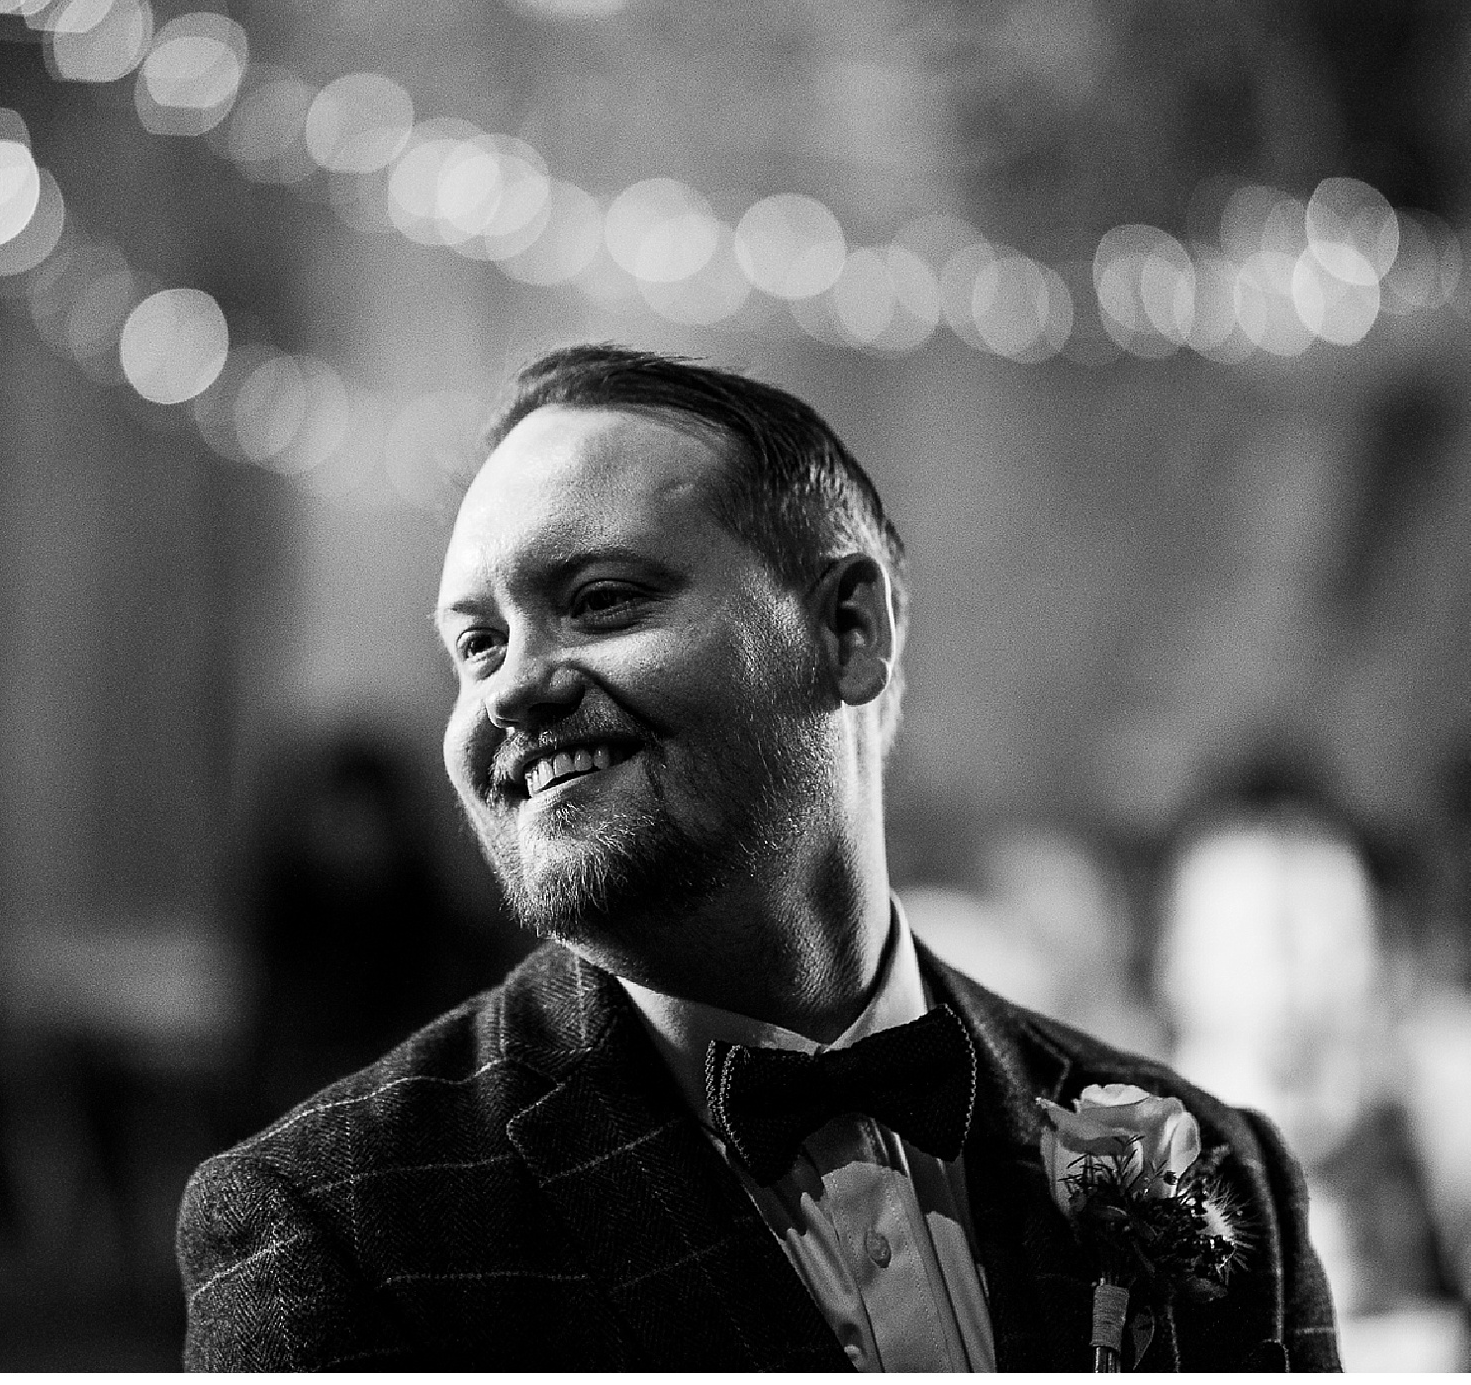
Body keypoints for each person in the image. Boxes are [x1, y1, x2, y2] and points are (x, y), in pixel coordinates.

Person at [176, 346, 1341, 1370]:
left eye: (598, 599)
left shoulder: (1214, 1166)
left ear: (848, 631)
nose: (514, 687)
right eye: (476, 644)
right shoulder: (342, 1227)